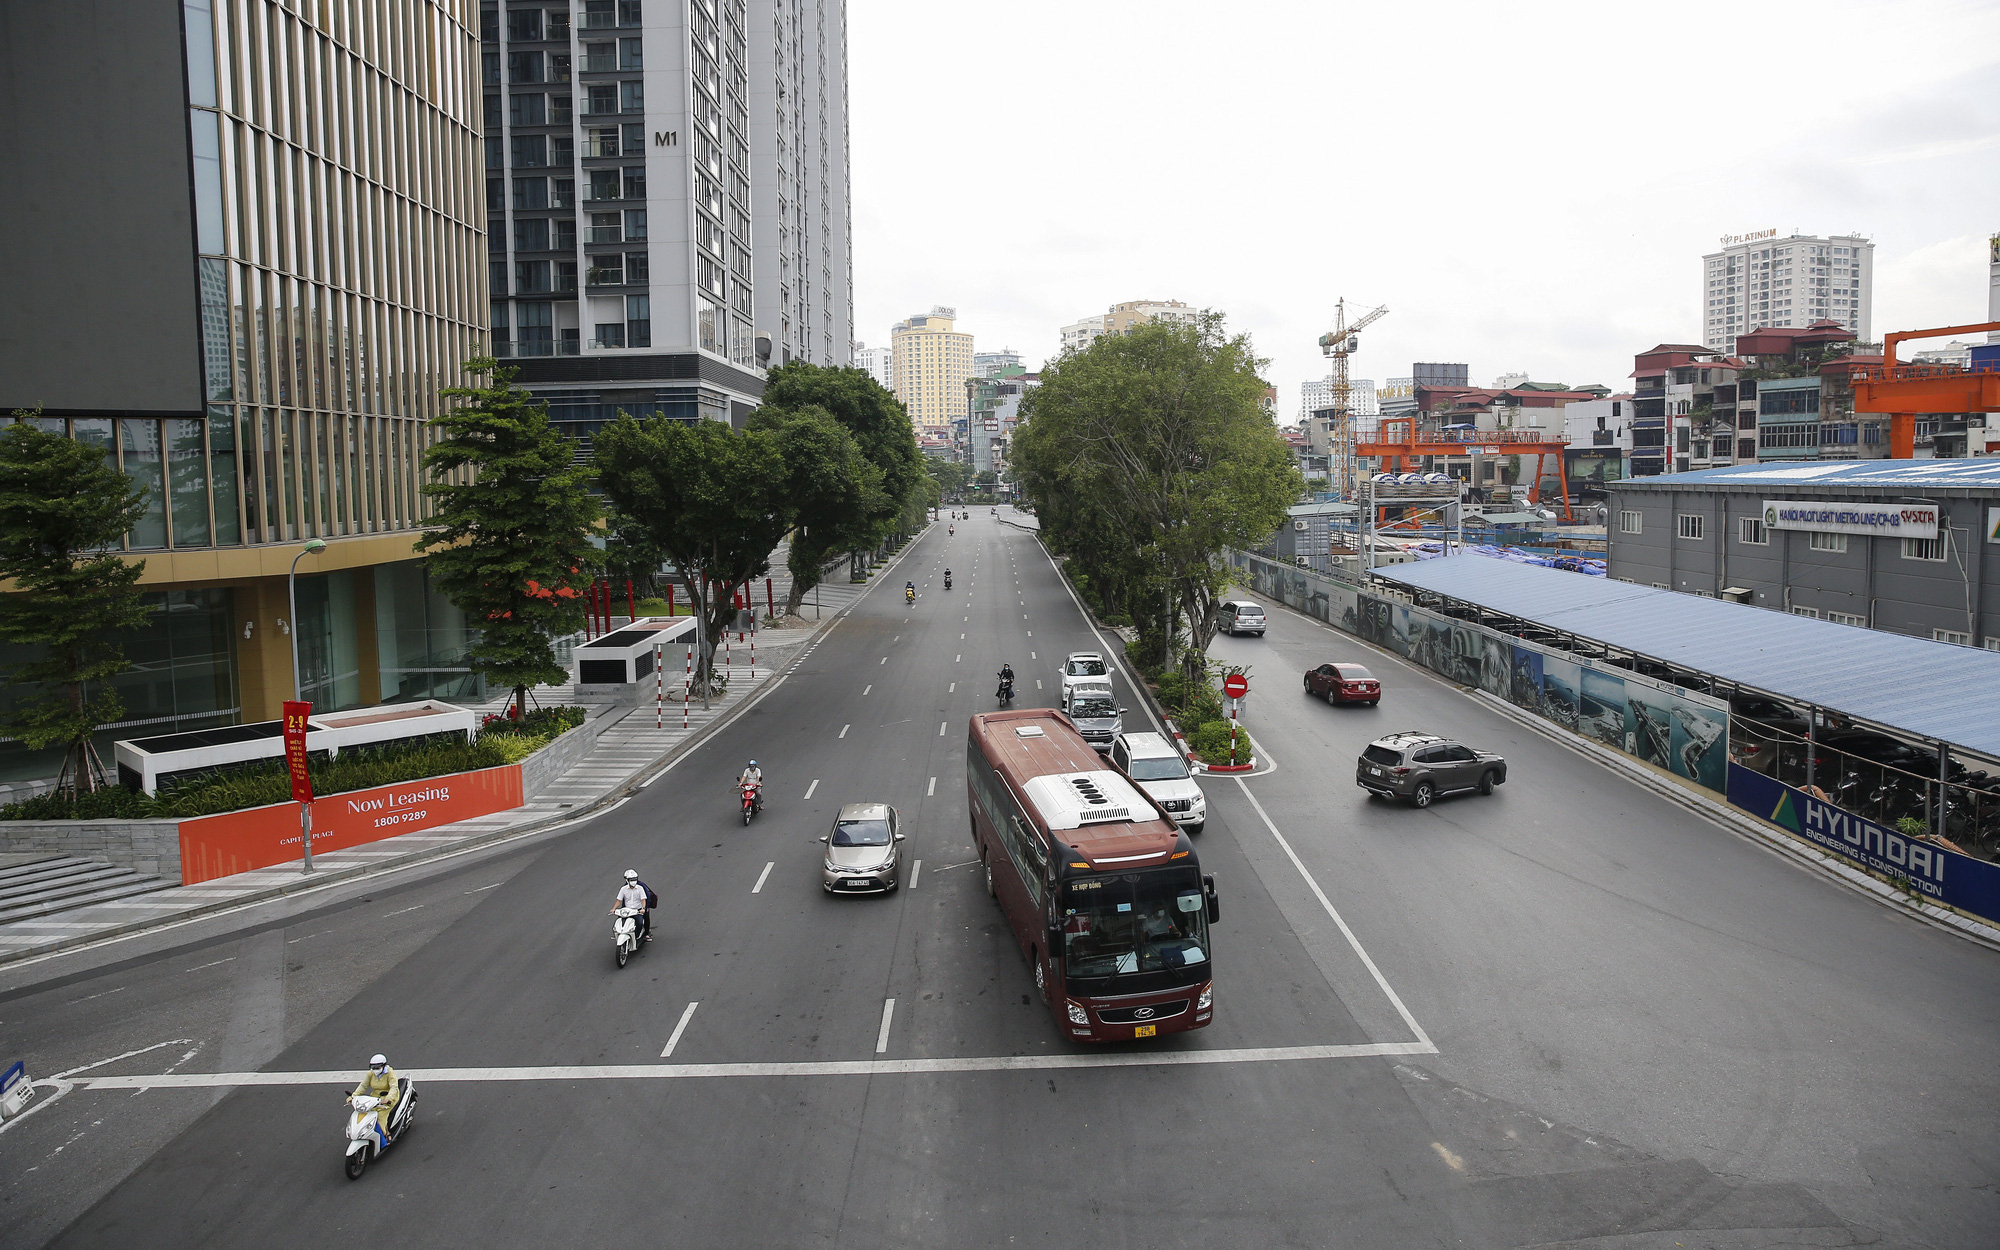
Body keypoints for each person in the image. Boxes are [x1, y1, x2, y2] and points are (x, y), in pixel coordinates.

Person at [351, 1054, 401, 1150]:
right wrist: (353, 1096)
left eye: (377, 1067)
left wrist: (388, 1098)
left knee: (380, 1118)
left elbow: (394, 1087)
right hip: (374, 1099)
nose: (375, 1069)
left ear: (383, 1066)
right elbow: (363, 1086)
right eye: (373, 1067)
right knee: (366, 1114)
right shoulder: (371, 1074)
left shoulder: (390, 1073)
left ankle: (385, 1137)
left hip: (388, 1099)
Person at [613, 868, 653, 942]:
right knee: (619, 922)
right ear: (627, 880)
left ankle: (641, 936)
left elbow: (644, 899)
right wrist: (614, 909)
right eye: (631, 879)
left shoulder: (640, 887)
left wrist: (644, 908)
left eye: (634, 879)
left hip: (637, 910)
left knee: (640, 921)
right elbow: (619, 900)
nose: (633, 881)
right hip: (626, 910)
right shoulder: (623, 889)